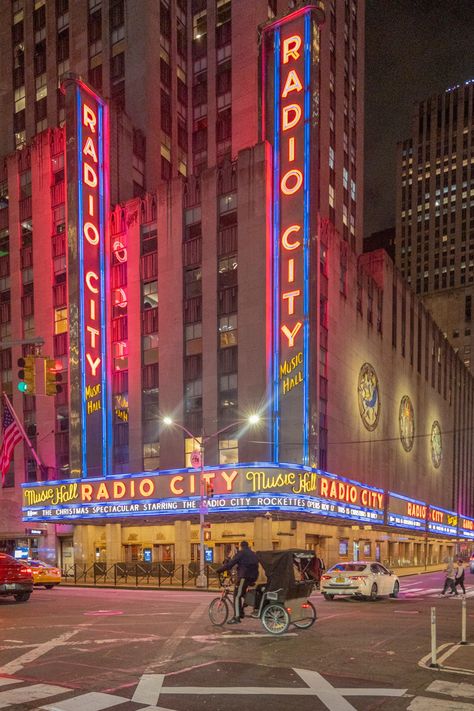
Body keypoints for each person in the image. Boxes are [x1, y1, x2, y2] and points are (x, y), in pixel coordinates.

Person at [216, 540, 259, 624]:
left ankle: (237, 617)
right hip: (253, 577)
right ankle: (242, 610)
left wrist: (219, 570)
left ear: (240, 546)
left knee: (236, 595)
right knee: (242, 593)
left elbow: (230, 564)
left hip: (244, 576)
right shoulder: (253, 553)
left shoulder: (241, 553)